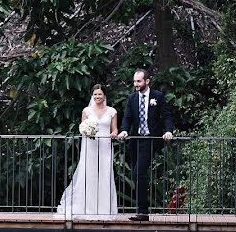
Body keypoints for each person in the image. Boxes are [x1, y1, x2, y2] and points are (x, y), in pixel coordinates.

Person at [118, 69, 174, 221]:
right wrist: (123, 131)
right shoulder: (132, 98)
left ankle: (143, 212)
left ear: (147, 81)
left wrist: (168, 131)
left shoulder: (158, 96)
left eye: (139, 81)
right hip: (135, 140)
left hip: (150, 139)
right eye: (135, 81)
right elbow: (127, 117)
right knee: (137, 175)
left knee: (138, 173)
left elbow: (167, 115)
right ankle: (141, 210)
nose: (136, 84)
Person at [56, 84, 119, 216]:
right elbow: (82, 127)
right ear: (92, 96)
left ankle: (104, 209)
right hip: (90, 146)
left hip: (105, 146)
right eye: (95, 94)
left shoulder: (112, 111)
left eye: (100, 94)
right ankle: (88, 208)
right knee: (89, 175)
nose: (97, 96)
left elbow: (114, 129)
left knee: (104, 174)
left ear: (104, 96)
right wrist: (86, 131)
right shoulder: (87, 111)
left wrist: (114, 133)